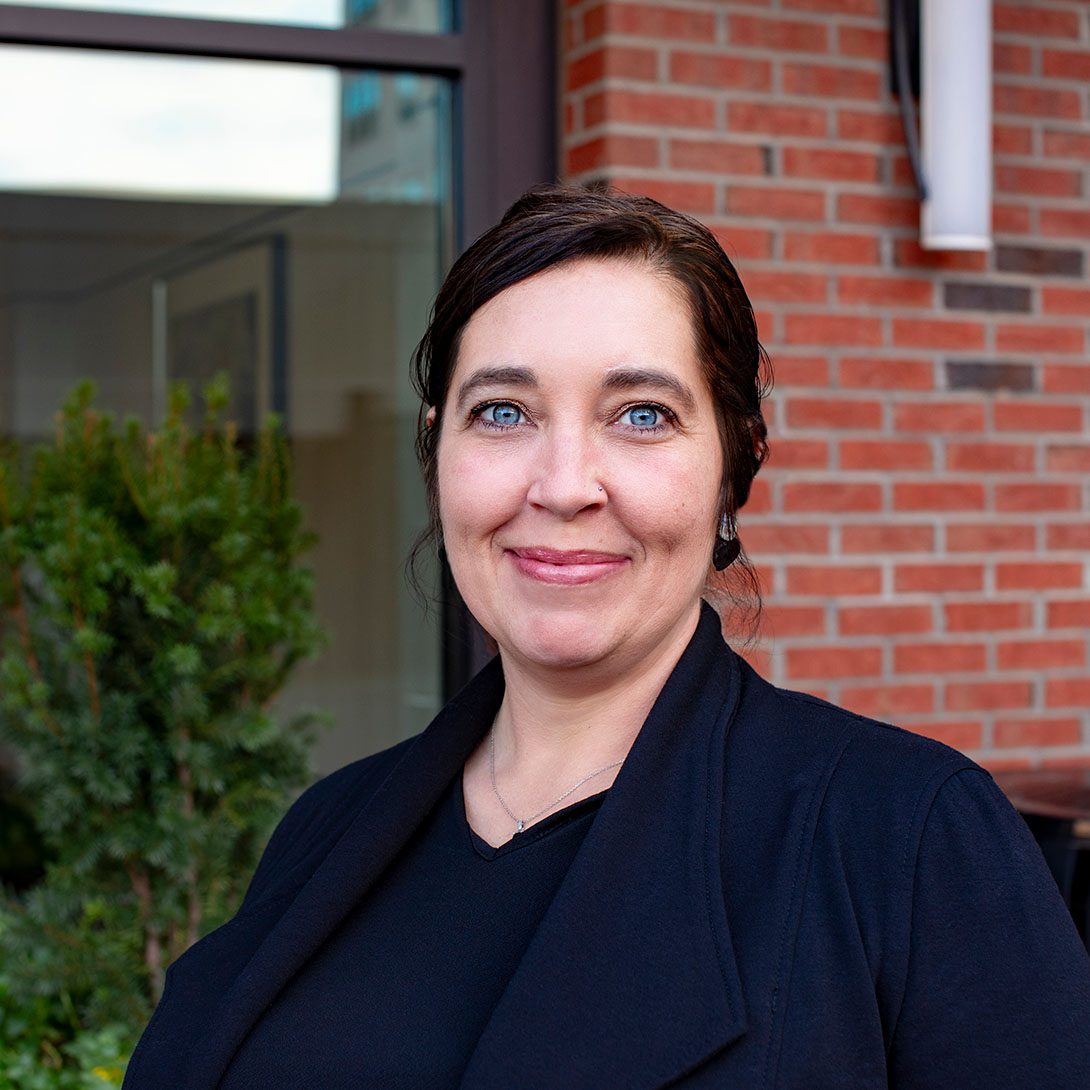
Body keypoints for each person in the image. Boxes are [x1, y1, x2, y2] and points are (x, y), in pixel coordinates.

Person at [123, 185, 1090, 1090]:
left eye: (641, 415)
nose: (563, 485)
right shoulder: (329, 828)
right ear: (437, 451)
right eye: (503, 412)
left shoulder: (911, 842)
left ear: (735, 463)